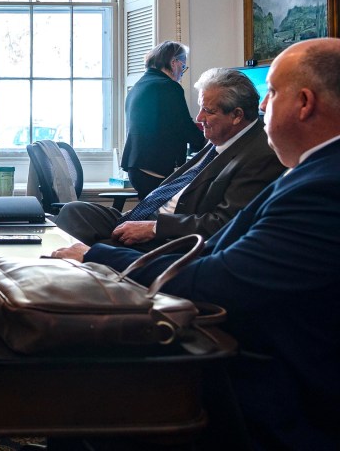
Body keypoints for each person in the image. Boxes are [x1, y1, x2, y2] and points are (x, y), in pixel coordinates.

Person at [52, 38, 340, 448]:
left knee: (87, 379)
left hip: (270, 381)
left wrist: (98, 256)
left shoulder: (322, 187)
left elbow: (218, 280)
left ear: (305, 103)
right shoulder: (308, 173)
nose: (262, 107)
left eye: (272, 93)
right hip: (248, 341)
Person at [55, 68, 285, 249]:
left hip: (172, 238)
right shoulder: (221, 138)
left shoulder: (261, 154)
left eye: (209, 111)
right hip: (148, 216)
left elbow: (224, 223)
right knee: (74, 211)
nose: (199, 117)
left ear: (237, 115)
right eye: (200, 108)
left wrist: (155, 228)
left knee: (93, 248)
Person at [121, 41, 206, 198]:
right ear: (174, 62)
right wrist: (209, 144)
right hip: (153, 167)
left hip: (136, 166)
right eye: (183, 67)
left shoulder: (138, 86)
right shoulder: (169, 87)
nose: (182, 73)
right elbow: (184, 126)